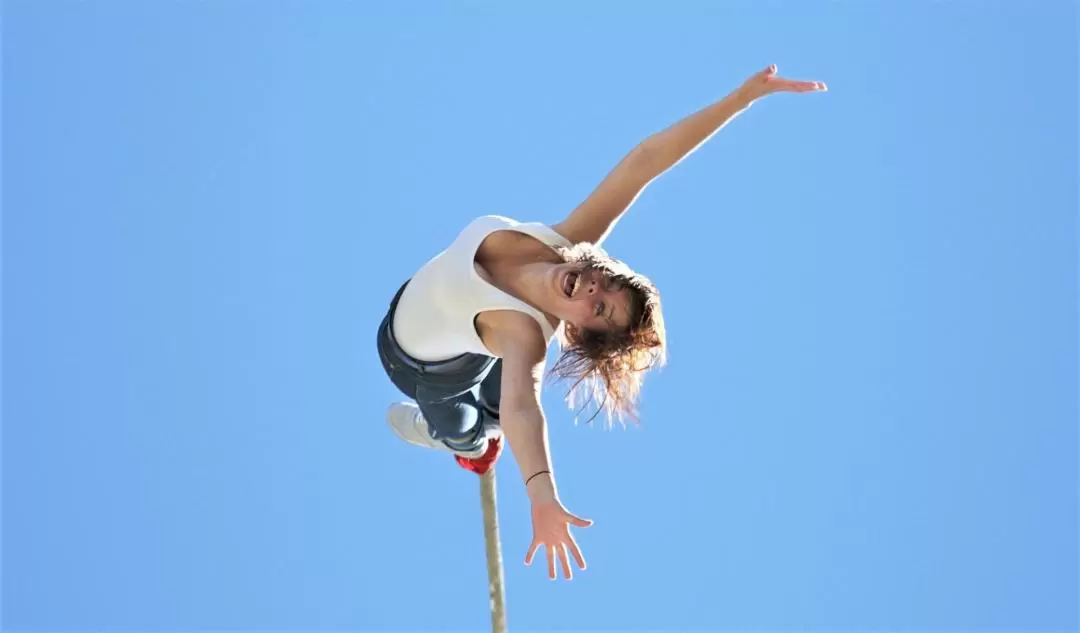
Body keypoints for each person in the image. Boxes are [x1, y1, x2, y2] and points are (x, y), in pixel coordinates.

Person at [376, 64, 826, 581]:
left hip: (426, 371)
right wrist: (741, 100)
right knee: (502, 393)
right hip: (419, 313)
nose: (594, 290)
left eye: (602, 310)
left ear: (579, 331)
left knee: (484, 425)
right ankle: (485, 420)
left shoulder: (526, 334)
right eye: (605, 283)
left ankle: (469, 447)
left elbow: (529, 411)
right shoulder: (564, 240)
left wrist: (542, 497)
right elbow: (645, 162)